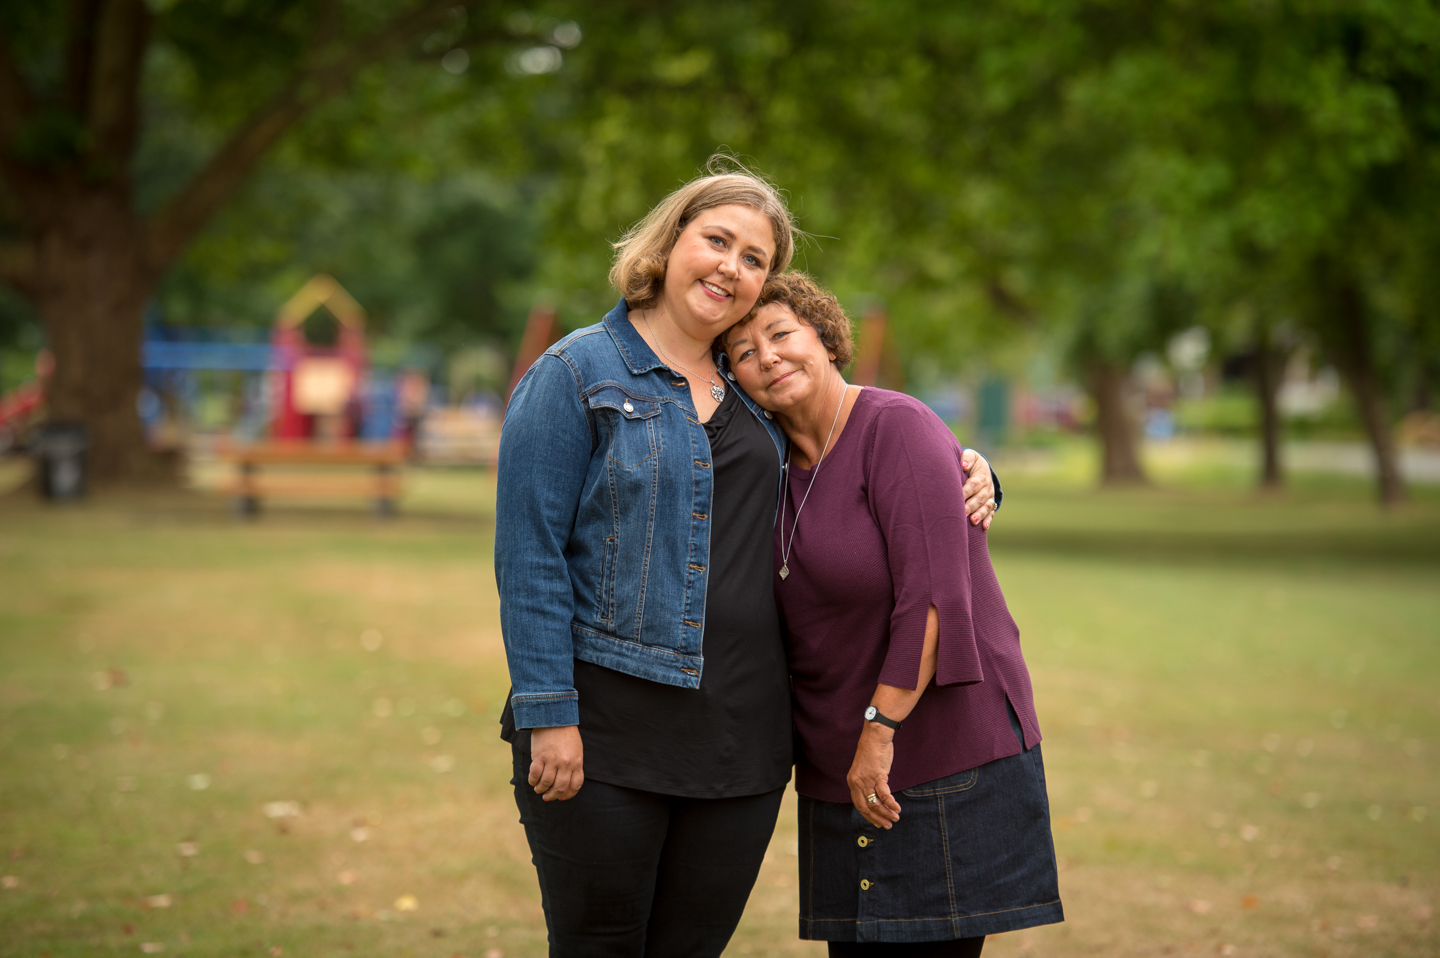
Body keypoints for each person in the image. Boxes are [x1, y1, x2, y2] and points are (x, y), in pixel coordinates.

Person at [494, 164, 1000, 957]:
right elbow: (530, 561)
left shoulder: (749, 392)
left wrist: (967, 468)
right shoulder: (572, 375)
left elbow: (851, 448)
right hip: (606, 732)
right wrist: (548, 712)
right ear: (670, 245)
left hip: (742, 748)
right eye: (717, 241)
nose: (732, 267)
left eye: (755, 258)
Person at [721, 272, 1063, 957]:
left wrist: (878, 733)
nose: (768, 357)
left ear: (824, 338)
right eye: (742, 353)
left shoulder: (896, 426)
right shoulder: (764, 465)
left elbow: (936, 599)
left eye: (782, 334)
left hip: (938, 753)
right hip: (838, 769)